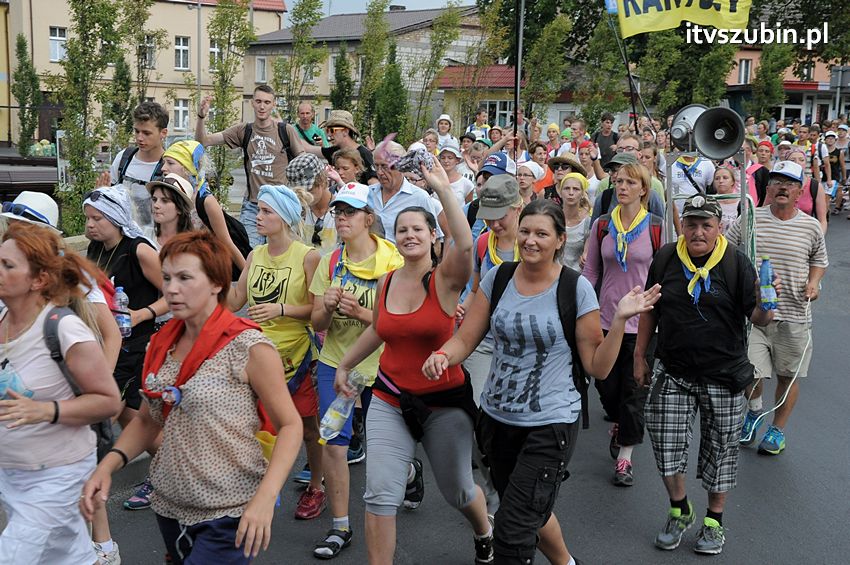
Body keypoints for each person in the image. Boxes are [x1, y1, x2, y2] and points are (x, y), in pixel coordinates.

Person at [423, 199, 660, 565]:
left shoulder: (575, 288)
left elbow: (597, 367)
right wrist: (443, 355)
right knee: (528, 508)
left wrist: (618, 324)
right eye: (526, 231)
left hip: (550, 424)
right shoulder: (498, 277)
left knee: (513, 529)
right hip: (497, 420)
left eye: (541, 234)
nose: (530, 240)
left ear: (560, 240)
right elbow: (466, 338)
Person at [81, 231, 303, 565]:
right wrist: (107, 467)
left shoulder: (249, 347)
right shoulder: (161, 342)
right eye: (167, 277)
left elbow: (290, 426)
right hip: (170, 506)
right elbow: (146, 418)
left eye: (185, 278)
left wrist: (264, 499)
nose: (170, 288)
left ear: (216, 283)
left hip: (229, 514)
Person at [335, 160, 494, 565]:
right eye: (402, 229)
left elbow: (462, 244)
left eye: (417, 229)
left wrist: (442, 189)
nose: (408, 235)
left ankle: (484, 530)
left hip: (443, 405)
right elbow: (381, 329)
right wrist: (345, 364)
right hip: (390, 398)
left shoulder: (444, 279)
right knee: (380, 494)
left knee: (459, 490)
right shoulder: (388, 280)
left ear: (430, 236)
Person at [636, 194, 775, 556]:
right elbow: (650, 309)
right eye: (691, 224)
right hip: (674, 371)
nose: (698, 231)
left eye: (706, 225)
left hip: (724, 374)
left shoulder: (735, 263)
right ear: (682, 226)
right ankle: (680, 509)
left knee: (721, 452)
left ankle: (714, 520)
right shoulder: (666, 257)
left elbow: (756, 318)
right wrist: (639, 355)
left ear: (719, 228)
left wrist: (766, 307)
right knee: (665, 449)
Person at [0, 222, 121, 565]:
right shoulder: (3, 320)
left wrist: (45, 411)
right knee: (65, 557)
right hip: (12, 474)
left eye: (8, 266)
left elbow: (108, 400)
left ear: (37, 280)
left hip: (59, 475)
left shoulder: (63, 328)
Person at [308, 182, 404, 559]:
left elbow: (398, 322)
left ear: (369, 218)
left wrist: (362, 313)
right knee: (334, 443)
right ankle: (340, 527)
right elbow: (317, 320)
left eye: (349, 212)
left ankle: (408, 472)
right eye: (338, 211)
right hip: (336, 364)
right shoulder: (331, 261)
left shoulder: (394, 263)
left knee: (389, 450)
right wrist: (328, 307)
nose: (342, 217)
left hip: (384, 366)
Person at [228, 183, 326, 519]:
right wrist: (206, 285)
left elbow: (317, 310)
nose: (258, 216)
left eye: (266, 211)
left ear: (283, 218)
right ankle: (256, 488)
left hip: (296, 357)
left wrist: (281, 309)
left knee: (308, 428)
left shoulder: (307, 256)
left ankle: (316, 485)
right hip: (256, 357)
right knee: (254, 425)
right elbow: (236, 299)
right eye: (259, 209)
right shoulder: (255, 255)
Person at [727, 161, 828, 456]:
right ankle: (755, 412)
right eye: (777, 181)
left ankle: (776, 430)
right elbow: (728, 252)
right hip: (754, 315)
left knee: (787, 377)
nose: (782, 187)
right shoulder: (750, 219)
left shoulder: (810, 226)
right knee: (749, 372)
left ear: (799, 191)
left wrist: (813, 284)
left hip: (795, 315)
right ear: (768, 188)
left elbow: (819, 262)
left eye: (789, 183)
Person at [84, 186, 169, 512]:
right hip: (108, 342)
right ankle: (166, 472)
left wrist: (141, 314)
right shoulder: (95, 249)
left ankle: (170, 472)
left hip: (141, 343)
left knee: (131, 414)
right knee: (123, 413)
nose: (91, 225)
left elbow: (172, 292)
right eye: (89, 218)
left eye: (98, 218)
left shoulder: (139, 251)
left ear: (117, 217)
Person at [583, 162, 664, 486]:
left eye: (630, 182)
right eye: (618, 181)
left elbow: (663, 275)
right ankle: (618, 422)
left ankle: (625, 459)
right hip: (605, 320)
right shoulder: (602, 225)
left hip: (643, 324)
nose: (622, 187)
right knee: (606, 386)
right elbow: (590, 271)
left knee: (634, 393)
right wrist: (580, 306)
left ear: (644, 189)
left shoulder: (656, 227)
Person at [196, 85, 307, 247]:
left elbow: (303, 161)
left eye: (267, 102)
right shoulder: (244, 130)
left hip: (280, 207)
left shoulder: (285, 130)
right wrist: (201, 117)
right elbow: (202, 142)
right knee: (251, 254)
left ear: (273, 104)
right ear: (252, 103)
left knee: (281, 256)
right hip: (253, 208)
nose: (262, 106)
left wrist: (300, 198)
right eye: (259, 101)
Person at [160, 140, 249, 278]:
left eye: (170, 163)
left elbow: (227, 243)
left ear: (188, 168)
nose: (163, 168)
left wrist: (249, 278)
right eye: (164, 162)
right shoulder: (168, 194)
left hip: (208, 271)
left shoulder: (205, 201)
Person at [367, 140, 445, 244]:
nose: (380, 172)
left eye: (385, 166)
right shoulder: (367, 194)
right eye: (376, 166)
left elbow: (435, 240)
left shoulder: (419, 197)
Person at [109, 101, 169, 235]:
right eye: (137, 131)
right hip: (121, 239)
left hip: (153, 243)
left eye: (147, 133)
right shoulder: (124, 158)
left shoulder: (168, 167)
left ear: (163, 133)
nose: (139, 138)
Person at [307, 110, 377, 185]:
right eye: (327, 131)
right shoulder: (334, 151)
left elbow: (374, 184)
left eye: (332, 130)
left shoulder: (364, 154)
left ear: (345, 131)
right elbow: (308, 148)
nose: (329, 135)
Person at [287, 153, 337, 255]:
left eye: (309, 189)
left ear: (322, 181)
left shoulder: (341, 210)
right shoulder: (296, 213)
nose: (305, 196)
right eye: (299, 192)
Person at [784, 146, 828, 233]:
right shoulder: (777, 184)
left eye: (801, 160)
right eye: (792, 160)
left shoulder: (815, 186)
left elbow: (822, 220)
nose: (797, 163)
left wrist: (818, 240)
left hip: (806, 236)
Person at [148, 174, 196, 250]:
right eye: (154, 199)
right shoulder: (144, 236)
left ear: (180, 208)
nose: (156, 205)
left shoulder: (191, 246)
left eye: (165, 201)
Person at [558, 173, 592, 271]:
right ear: (560, 192)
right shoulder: (553, 220)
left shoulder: (588, 223)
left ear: (582, 194)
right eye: (567, 188)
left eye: (576, 189)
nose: (571, 192)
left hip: (577, 277)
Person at [439, 140, 476, 206]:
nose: (446, 161)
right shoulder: (434, 180)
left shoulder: (466, 184)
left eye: (450, 158)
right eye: (443, 158)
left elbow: (468, 208)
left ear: (457, 160)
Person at [710, 165, 741, 233]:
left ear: (733, 181)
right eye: (717, 178)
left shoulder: (742, 202)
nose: (721, 181)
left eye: (725, 178)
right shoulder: (709, 202)